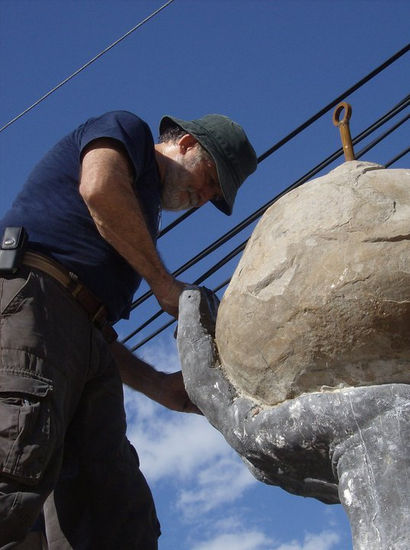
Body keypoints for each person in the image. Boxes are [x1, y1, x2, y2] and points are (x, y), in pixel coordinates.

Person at [0, 110, 257, 549]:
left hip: (85, 334)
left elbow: (91, 321)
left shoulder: (141, 223)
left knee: (115, 516)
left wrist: (159, 386)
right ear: (189, 144)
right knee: (13, 466)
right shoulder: (127, 131)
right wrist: (163, 283)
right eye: (212, 179)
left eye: (215, 195)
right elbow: (99, 188)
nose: (206, 196)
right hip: (33, 300)